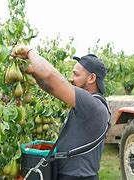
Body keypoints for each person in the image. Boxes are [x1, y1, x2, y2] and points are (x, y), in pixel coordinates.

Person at [12, 45, 110, 180]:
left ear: (91, 78)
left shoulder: (89, 103)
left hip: (76, 177)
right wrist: (33, 72)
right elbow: (51, 87)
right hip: (75, 175)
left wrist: (29, 51)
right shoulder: (92, 103)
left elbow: (50, 76)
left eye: (76, 74)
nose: (71, 78)